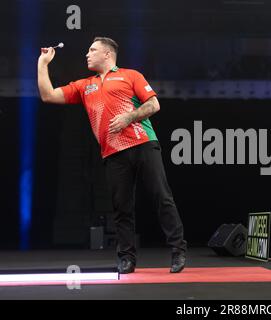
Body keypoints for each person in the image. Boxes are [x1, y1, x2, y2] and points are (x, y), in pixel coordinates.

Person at [37, 37, 187, 274]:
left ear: (107, 54)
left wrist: (129, 117)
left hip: (143, 143)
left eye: (92, 50)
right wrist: (43, 64)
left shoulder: (130, 75)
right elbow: (49, 96)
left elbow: (154, 105)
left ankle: (178, 250)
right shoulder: (85, 85)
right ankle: (127, 258)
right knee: (121, 207)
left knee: (161, 196)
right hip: (113, 152)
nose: (87, 54)